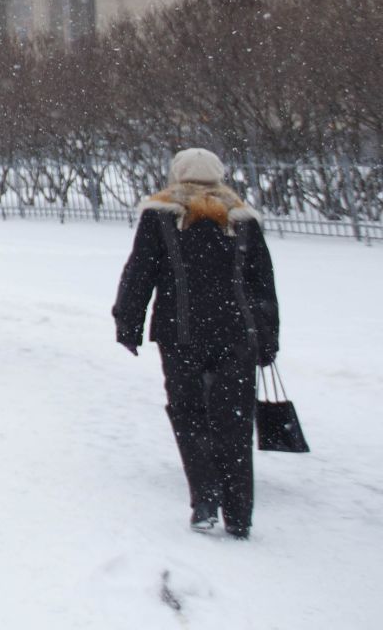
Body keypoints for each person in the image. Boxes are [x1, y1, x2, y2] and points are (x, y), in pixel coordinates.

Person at [114, 148, 279, 539]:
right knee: (234, 423)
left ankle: (205, 500)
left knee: (189, 415)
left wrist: (128, 323)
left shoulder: (161, 216)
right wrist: (267, 337)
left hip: (179, 334)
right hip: (237, 335)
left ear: (177, 175)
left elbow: (140, 271)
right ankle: (240, 515)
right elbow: (262, 284)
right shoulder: (243, 219)